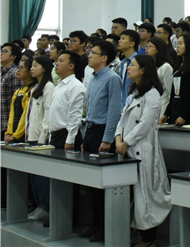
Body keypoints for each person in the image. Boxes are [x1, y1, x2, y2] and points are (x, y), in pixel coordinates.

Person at [115, 54, 171, 247]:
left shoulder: (152, 94)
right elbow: (122, 119)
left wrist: (126, 141)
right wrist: (118, 138)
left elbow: (145, 123)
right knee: (135, 196)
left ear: (143, 70)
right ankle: (138, 234)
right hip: (127, 149)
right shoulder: (134, 93)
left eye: (133, 65)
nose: (129, 68)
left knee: (146, 196)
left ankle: (148, 238)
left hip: (143, 150)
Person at [79, 40, 123, 242]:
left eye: (93, 52)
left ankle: (105, 227)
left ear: (104, 58)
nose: (89, 55)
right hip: (90, 130)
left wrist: (107, 138)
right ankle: (95, 224)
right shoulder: (93, 77)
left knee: (102, 185)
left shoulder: (112, 78)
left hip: (102, 132)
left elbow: (114, 111)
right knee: (91, 184)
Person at [26, 55, 55, 221]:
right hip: (31, 136)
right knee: (33, 175)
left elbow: (48, 114)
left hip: (40, 139)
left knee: (41, 176)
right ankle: (39, 205)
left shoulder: (49, 87)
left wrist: (43, 138)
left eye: (35, 65)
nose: (32, 68)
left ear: (44, 68)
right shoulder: (35, 87)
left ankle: (46, 206)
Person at [163, 33, 190, 125]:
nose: (177, 47)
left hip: (188, 115)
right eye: (177, 43)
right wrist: (166, 113)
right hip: (175, 110)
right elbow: (174, 93)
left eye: (181, 44)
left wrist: (184, 115)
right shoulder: (178, 66)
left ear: (189, 45)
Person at [48, 50, 86, 149]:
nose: (57, 64)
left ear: (71, 66)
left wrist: (70, 140)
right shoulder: (59, 86)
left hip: (66, 135)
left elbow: (74, 115)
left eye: (61, 61)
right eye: (57, 61)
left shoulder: (76, 86)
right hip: (55, 135)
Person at [4, 58, 33, 143]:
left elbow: (26, 115)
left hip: (25, 135)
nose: (18, 70)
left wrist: (16, 135)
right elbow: (12, 114)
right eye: (18, 67)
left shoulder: (32, 90)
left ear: (29, 71)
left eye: (21, 68)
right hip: (14, 135)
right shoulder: (18, 91)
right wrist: (9, 133)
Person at [145, 37, 173, 118]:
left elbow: (170, 91)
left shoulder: (166, 67)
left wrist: (167, 112)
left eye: (150, 46)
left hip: (163, 103)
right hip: (150, 102)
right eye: (146, 46)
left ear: (158, 49)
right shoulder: (149, 66)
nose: (147, 49)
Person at [1, 42, 22, 134]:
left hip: (7, 125)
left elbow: (17, 103)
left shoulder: (15, 73)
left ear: (13, 56)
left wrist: (12, 127)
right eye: (1, 51)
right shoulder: (2, 73)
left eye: (4, 51)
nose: (1, 54)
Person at [118, 30, 139, 106]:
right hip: (122, 104)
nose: (119, 41)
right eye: (120, 39)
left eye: (123, 39)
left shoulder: (139, 61)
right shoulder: (123, 62)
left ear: (132, 43)